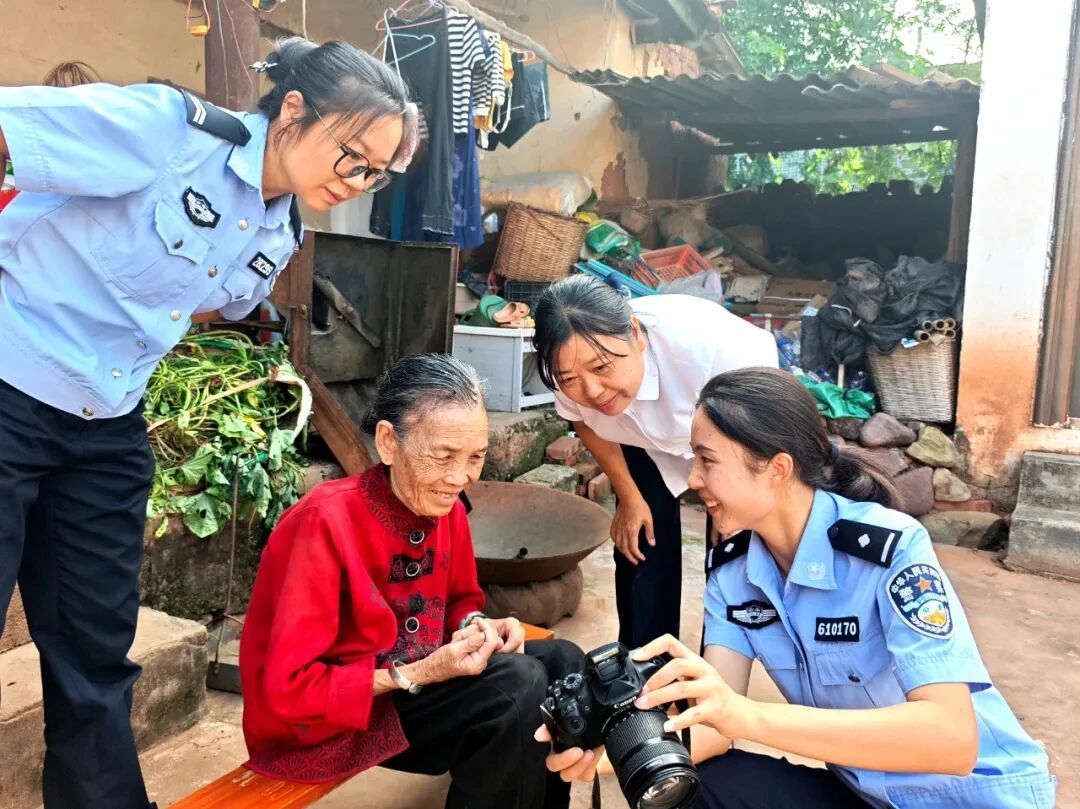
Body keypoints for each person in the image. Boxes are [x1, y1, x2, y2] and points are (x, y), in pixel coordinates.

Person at [0, 37, 416, 809]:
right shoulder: (166, 130)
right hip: (8, 386)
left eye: (375, 173)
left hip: (104, 424)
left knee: (94, 655)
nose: (355, 179)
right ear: (294, 109)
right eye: (351, 153)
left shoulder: (280, 230)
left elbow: (193, 304)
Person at [540, 367, 1056, 808]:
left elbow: (952, 740)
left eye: (707, 460)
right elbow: (715, 725)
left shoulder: (889, 550)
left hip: (972, 795)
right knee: (693, 787)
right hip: (864, 794)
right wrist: (612, 753)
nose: (693, 479)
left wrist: (751, 717)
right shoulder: (733, 574)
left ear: (777, 469)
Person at [240, 353, 585, 809]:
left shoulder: (446, 506)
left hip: (416, 685)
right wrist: (419, 673)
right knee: (515, 687)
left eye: (476, 457)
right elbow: (288, 690)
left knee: (563, 662)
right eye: (443, 456)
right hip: (336, 718)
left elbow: (461, 600)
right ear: (388, 442)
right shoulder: (323, 522)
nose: (460, 478)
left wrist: (477, 626)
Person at [532, 275, 778, 649]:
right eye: (570, 379)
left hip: (731, 432)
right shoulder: (565, 366)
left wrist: (730, 503)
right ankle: (645, 664)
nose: (592, 391)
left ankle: (719, 667)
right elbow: (583, 422)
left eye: (601, 368)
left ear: (635, 334)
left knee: (733, 549)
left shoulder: (715, 350)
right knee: (640, 539)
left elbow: (753, 434)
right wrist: (629, 497)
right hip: (638, 438)